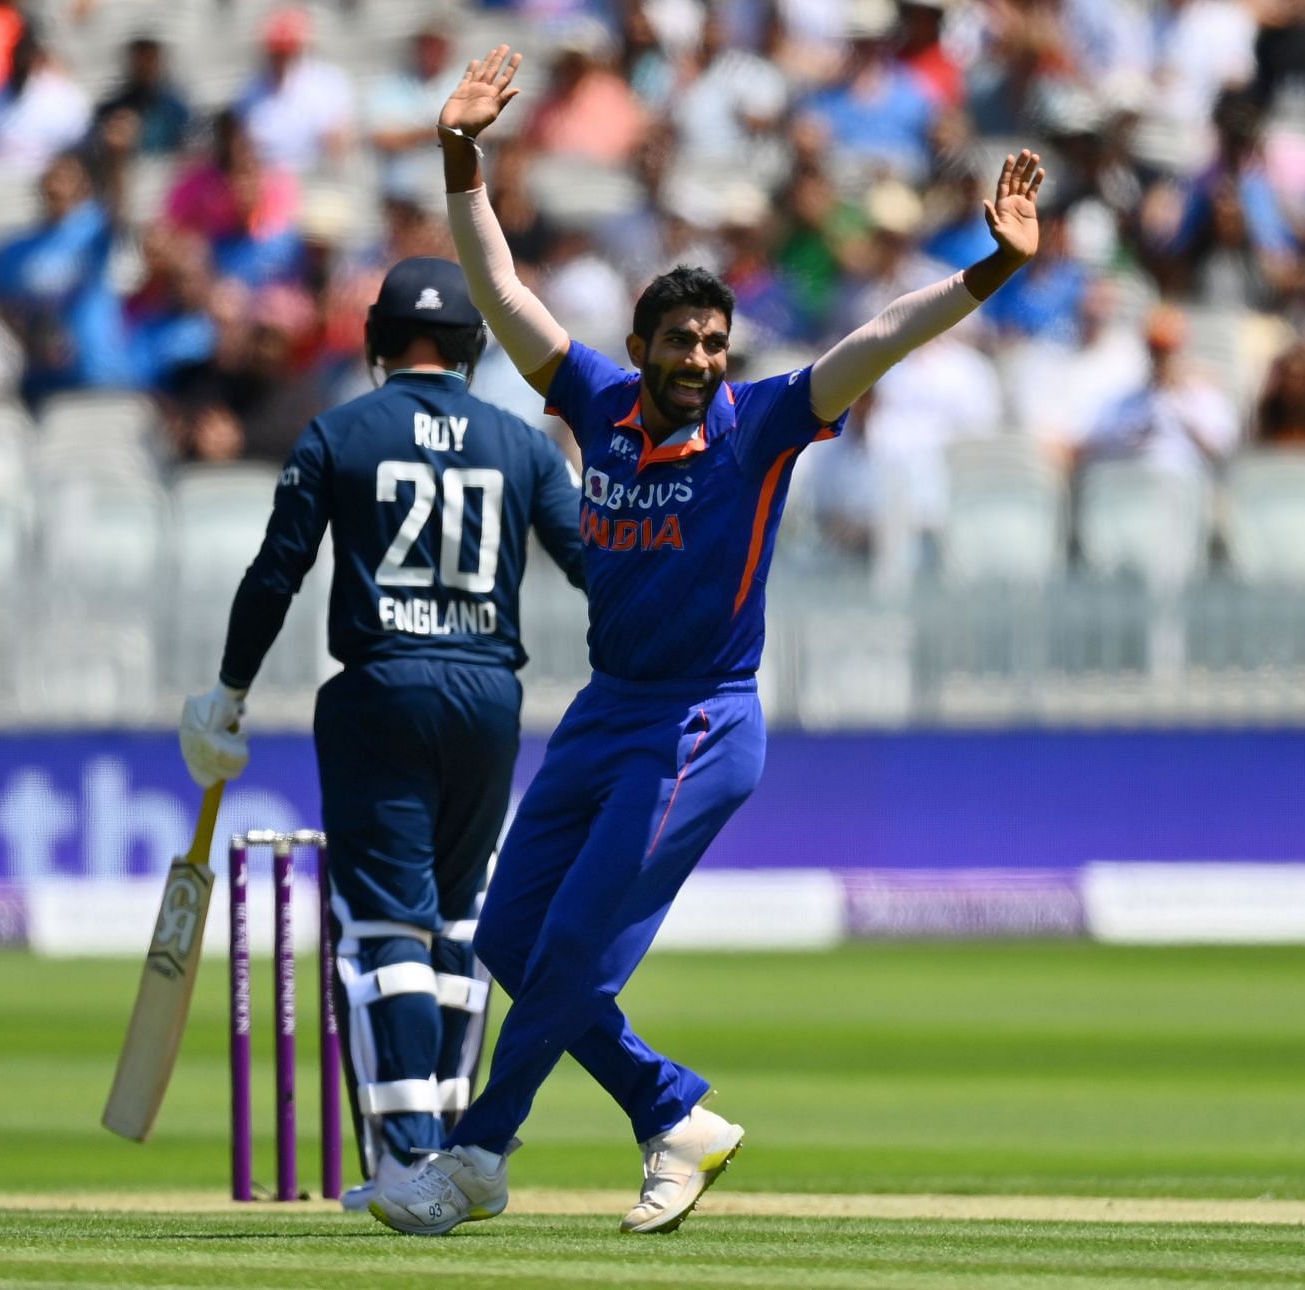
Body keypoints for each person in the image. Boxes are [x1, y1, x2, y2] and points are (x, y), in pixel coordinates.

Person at [368, 45, 1042, 1238]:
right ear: (643, 351)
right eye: (679, 343)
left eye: (714, 343)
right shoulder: (597, 407)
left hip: (698, 722)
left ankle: (475, 1158)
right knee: (515, 937)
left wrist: (989, 266)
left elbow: (882, 333)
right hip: (604, 712)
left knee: (575, 943)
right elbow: (506, 291)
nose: (699, 361)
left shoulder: (761, 423)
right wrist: (460, 158)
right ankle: (670, 1112)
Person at [177, 256, 587, 1210]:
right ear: (474, 346)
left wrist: (229, 694)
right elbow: (595, 565)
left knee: (385, 928)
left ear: (373, 343)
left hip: (381, 693)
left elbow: (276, 572)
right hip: (490, 694)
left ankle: (408, 1165)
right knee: (454, 920)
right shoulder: (521, 445)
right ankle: (454, 1158)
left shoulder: (340, 431)